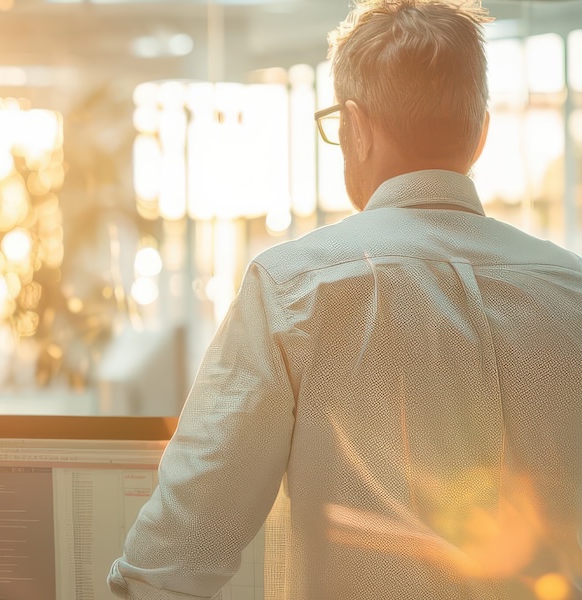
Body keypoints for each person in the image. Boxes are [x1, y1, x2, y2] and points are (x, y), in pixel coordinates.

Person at [108, 0, 582, 598]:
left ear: (354, 128)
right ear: (481, 133)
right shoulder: (573, 289)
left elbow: (174, 562)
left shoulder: (294, 289)